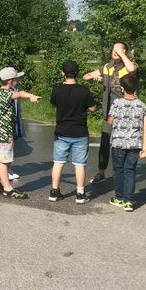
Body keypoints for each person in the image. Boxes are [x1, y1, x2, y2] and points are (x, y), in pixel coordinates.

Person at [82, 42, 138, 184]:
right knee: (105, 142)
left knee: (123, 144)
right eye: (114, 49)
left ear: (125, 52)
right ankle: (101, 172)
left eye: (118, 49)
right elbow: (85, 76)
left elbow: (132, 69)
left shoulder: (128, 67)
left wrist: (122, 55)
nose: (115, 52)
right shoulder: (107, 67)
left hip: (125, 113)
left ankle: (123, 172)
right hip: (109, 112)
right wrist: (94, 77)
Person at [49, 61, 97, 204]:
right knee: (79, 164)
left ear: (62, 73)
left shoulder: (57, 90)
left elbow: (54, 103)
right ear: (78, 73)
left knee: (58, 162)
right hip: (79, 132)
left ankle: (54, 191)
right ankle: (80, 194)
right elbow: (93, 108)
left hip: (61, 132)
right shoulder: (84, 90)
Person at [0, 67, 40, 199]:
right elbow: (20, 93)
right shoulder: (6, 94)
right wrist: (31, 96)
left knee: (2, 158)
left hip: (0, 131)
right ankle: (7, 189)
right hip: (4, 133)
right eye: (16, 78)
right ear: (10, 81)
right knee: (5, 161)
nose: (18, 80)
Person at [107, 74, 146, 212]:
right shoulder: (142, 105)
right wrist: (145, 147)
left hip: (118, 142)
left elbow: (110, 121)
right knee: (130, 171)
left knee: (119, 170)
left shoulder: (116, 103)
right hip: (134, 143)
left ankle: (119, 197)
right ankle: (129, 200)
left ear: (122, 88)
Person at [9, 64, 25, 181]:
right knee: (7, 148)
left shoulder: (16, 88)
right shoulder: (6, 91)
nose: (18, 79)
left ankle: (7, 169)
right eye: (16, 77)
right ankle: (4, 173)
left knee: (12, 146)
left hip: (14, 120)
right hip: (7, 123)